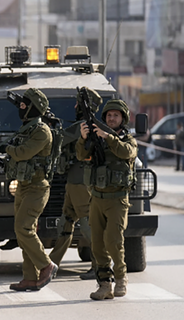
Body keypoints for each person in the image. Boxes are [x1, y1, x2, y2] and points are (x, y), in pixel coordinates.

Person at [76, 99, 137, 300]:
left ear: (123, 119)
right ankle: (104, 284)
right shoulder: (97, 139)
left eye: (116, 115)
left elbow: (126, 152)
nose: (112, 118)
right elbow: (80, 155)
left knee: (113, 241)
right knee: (97, 245)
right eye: (109, 115)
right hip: (97, 198)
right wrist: (84, 139)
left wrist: (108, 137)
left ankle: (120, 278)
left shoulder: (128, 139)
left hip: (117, 200)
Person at [3, 88, 57, 291]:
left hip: (36, 187)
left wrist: (5, 149)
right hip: (23, 186)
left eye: (25, 105)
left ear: (34, 108)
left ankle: (46, 265)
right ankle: (29, 278)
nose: (21, 108)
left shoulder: (41, 131)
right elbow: (16, 158)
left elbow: (22, 153)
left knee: (23, 228)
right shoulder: (26, 129)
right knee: (25, 231)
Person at [48, 87, 99, 281]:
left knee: (87, 223)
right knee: (66, 222)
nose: (75, 106)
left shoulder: (84, 125)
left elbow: (60, 139)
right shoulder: (84, 124)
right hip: (73, 180)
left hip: (81, 181)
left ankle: (99, 264)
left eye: (79, 103)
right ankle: (51, 264)